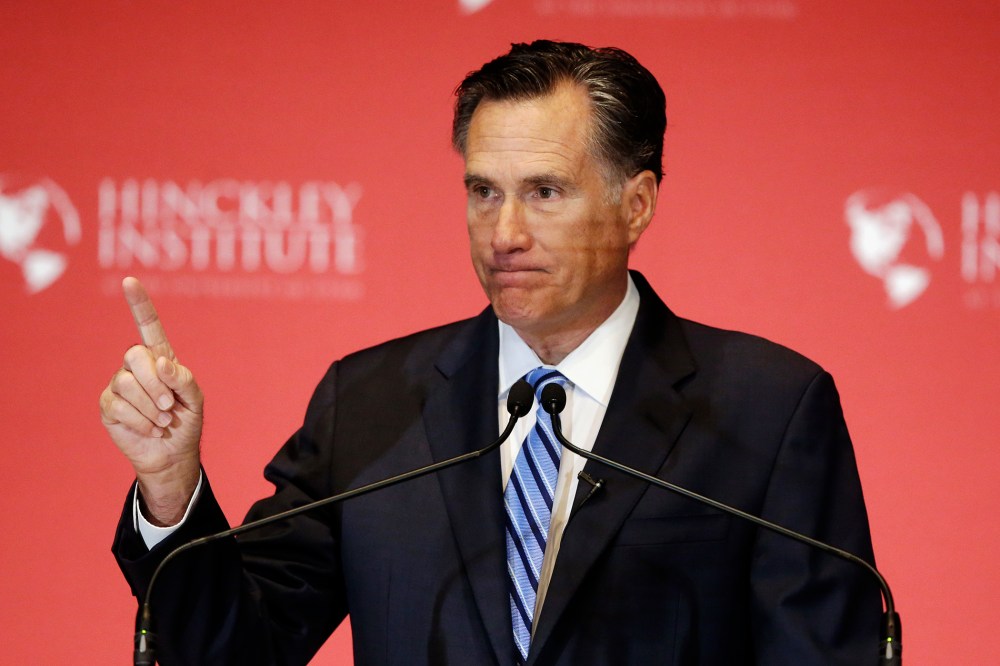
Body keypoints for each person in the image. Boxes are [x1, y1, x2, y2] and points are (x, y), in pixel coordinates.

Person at [102, 40, 881, 665]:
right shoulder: (369, 401)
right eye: (483, 192)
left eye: (545, 192)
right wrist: (171, 492)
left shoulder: (767, 409)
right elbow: (237, 650)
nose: (505, 234)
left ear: (635, 203)